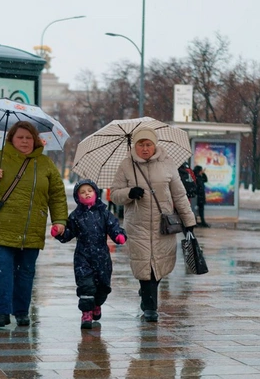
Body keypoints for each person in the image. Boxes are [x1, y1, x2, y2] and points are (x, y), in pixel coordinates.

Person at [0, 121, 68, 328]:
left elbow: (57, 195)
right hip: (0, 227)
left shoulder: (45, 164)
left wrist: (59, 220)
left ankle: (22, 312)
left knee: (25, 272)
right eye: (20, 137)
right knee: (2, 269)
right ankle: (2, 312)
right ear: (11, 139)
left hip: (31, 229)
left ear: (36, 140)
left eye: (28, 137)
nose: (24, 141)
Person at [110, 127, 197, 322]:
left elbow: (179, 195)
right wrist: (129, 193)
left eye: (148, 144)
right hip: (137, 225)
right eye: (141, 144)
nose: (145, 148)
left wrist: (189, 222)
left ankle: (147, 293)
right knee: (144, 266)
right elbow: (115, 194)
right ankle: (150, 307)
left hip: (163, 225)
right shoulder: (126, 165)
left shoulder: (167, 164)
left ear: (154, 145)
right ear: (135, 146)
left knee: (158, 264)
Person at [53, 179, 127, 329]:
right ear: (77, 196)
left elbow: (114, 226)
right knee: (86, 285)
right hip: (83, 257)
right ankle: (86, 313)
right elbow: (68, 233)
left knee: (103, 285)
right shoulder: (76, 215)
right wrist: (59, 233)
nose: (86, 194)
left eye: (89, 191)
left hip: (102, 257)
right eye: (82, 192)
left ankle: (97, 304)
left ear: (95, 193)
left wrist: (119, 236)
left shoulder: (104, 213)